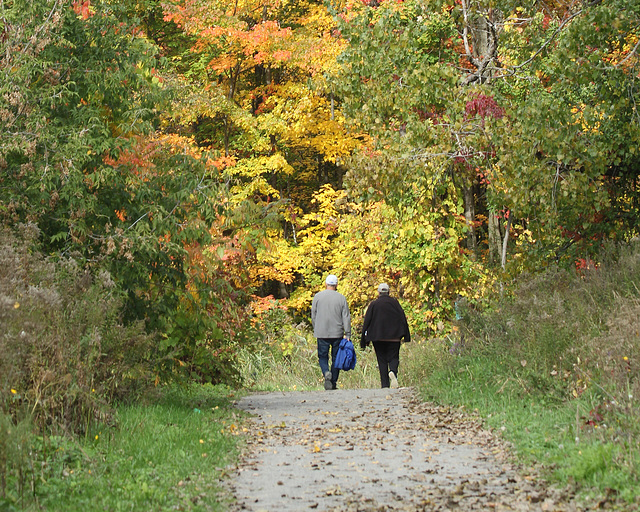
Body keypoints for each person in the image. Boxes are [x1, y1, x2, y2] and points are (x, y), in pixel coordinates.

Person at [360, 283, 411, 388]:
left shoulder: (374, 304)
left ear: (378, 292)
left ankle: (385, 385)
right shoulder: (395, 303)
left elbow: (367, 321)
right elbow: (403, 318)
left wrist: (364, 340)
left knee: (381, 359)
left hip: (378, 337)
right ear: (388, 292)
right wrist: (406, 335)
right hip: (394, 336)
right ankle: (392, 372)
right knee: (394, 357)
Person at [311, 274, 351, 390]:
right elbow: (346, 317)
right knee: (336, 358)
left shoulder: (317, 297)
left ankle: (326, 372)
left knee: (322, 356)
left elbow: (313, 315)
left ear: (325, 284)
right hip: (337, 333)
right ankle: (333, 382)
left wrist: (316, 327)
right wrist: (347, 333)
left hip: (322, 332)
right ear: (336, 285)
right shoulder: (341, 298)